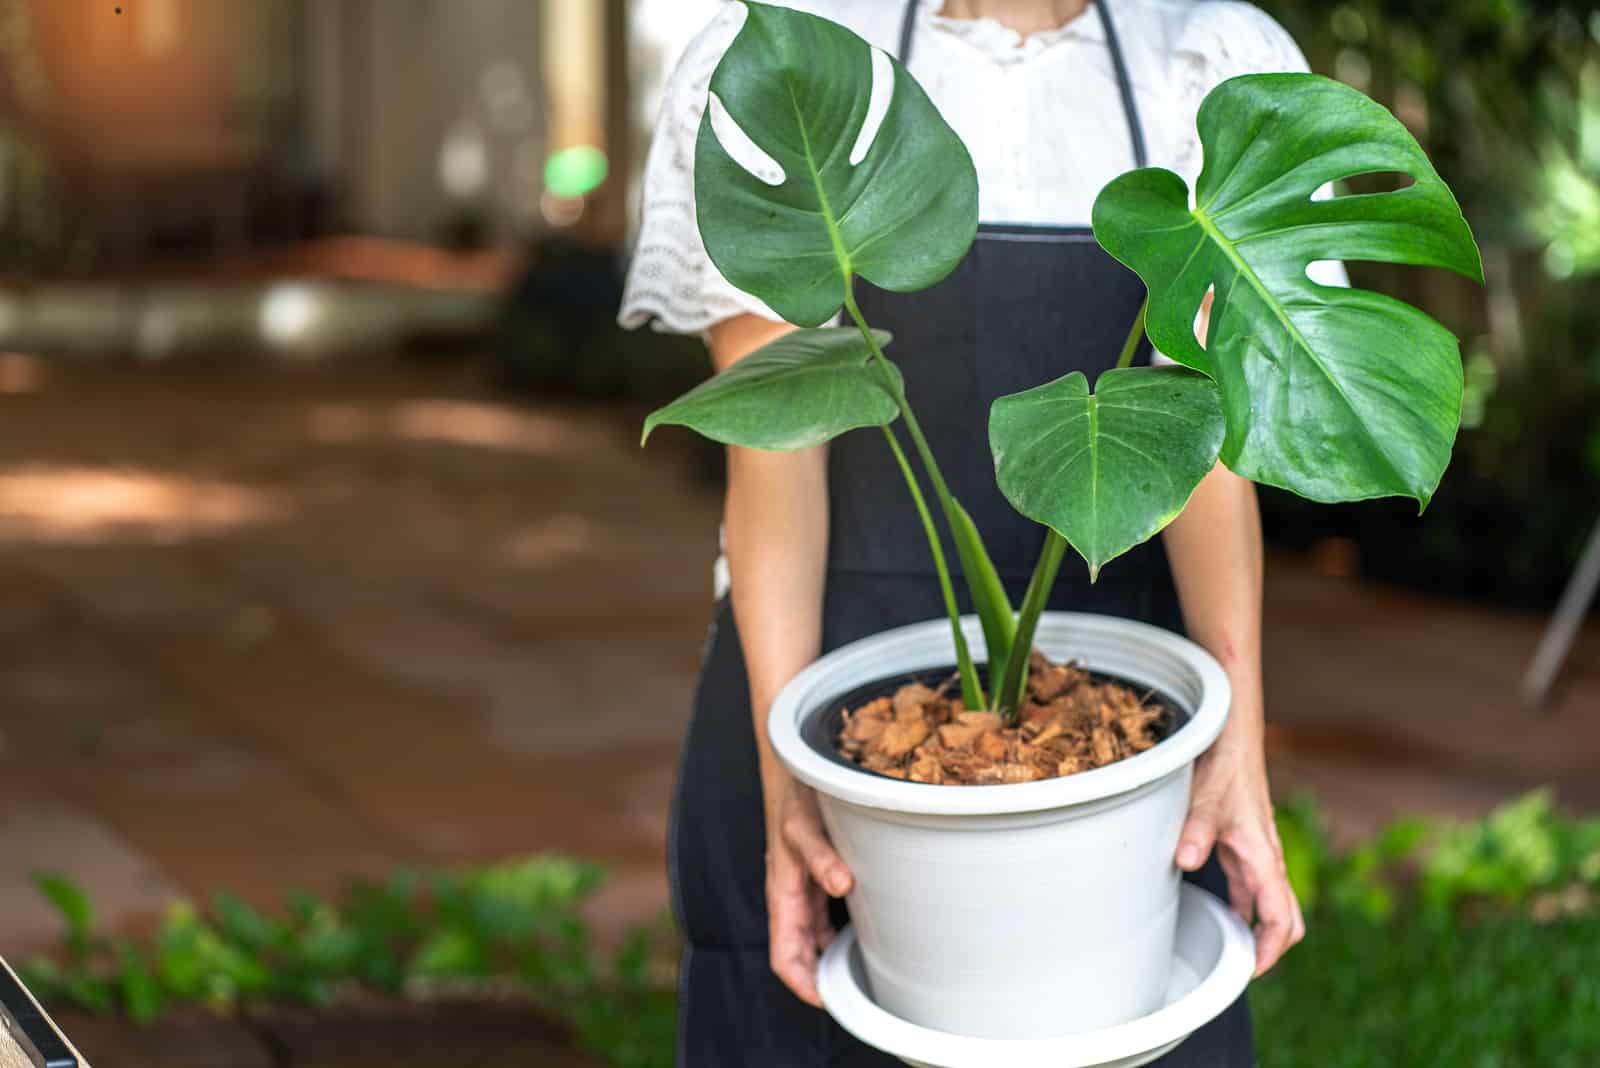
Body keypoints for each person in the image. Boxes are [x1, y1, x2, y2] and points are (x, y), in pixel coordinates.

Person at [620, 1, 1343, 1064]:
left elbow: (1201, 450)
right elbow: (776, 440)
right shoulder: (785, 57)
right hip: (820, 696)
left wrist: (1235, 742)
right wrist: (794, 779)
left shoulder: (1207, 64)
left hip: (1122, 737)